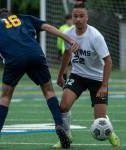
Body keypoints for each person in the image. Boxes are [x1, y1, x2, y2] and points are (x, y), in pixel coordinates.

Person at [0, 8, 79, 149]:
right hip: (35, 54)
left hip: (14, 59)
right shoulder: (24, 18)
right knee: (48, 91)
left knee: (5, 96)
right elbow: (47, 27)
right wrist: (69, 39)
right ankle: (60, 125)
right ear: (11, 15)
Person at [53, 3, 120, 148]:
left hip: (97, 79)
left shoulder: (95, 36)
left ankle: (110, 132)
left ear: (87, 18)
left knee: (99, 119)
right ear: (72, 17)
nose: (78, 19)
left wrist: (104, 85)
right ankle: (67, 136)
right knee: (63, 106)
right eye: (75, 16)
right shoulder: (69, 34)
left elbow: (108, 61)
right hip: (78, 75)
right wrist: (60, 75)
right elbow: (66, 54)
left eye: (81, 16)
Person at [57, 14, 73, 81]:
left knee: (76, 67)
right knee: (65, 67)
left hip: (75, 51)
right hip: (65, 51)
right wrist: (60, 50)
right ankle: (65, 81)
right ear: (66, 21)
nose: (69, 21)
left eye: (71, 20)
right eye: (68, 20)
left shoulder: (75, 27)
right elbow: (59, 40)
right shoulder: (62, 28)